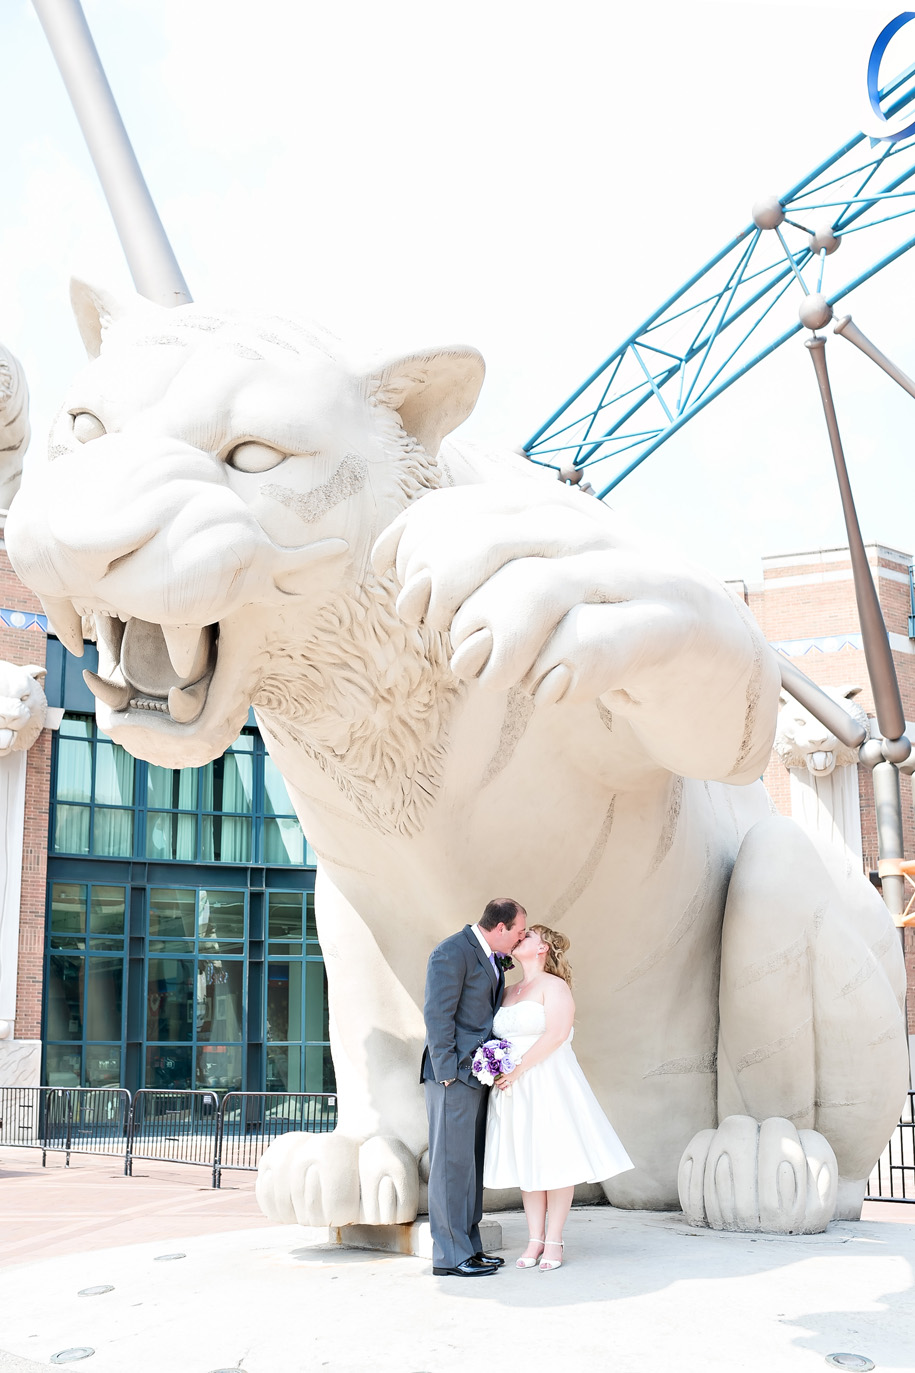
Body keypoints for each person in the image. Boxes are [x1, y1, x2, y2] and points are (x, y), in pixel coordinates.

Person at [484, 923, 633, 1271]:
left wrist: (517, 1069)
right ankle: (534, 1239)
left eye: (529, 936)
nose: (521, 938)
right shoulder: (507, 991)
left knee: (554, 1158)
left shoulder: (555, 986)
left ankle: (554, 1239)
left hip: (547, 1080)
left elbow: (557, 1034)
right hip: (513, 1087)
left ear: (543, 949)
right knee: (528, 1159)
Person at [421, 897, 527, 1277]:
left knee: (469, 1166)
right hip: (452, 1077)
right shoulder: (451, 951)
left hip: (477, 1075)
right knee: (450, 1165)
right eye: (518, 931)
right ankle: (450, 1257)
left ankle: (469, 1246)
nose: (520, 938)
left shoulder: (492, 957)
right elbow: (437, 1013)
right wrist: (447, 1070)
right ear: (500, 928)